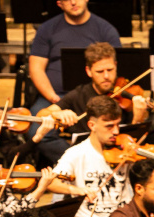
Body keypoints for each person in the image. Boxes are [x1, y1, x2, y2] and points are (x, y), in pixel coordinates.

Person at [47, 95, 154, 217]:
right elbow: (51, 182)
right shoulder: (76, 153)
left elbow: (146, 185)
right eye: (109, 126)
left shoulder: (126, 150)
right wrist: (76, 190)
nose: (116, 131)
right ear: (92, 125)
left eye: (118, 125)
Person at [34, 42, 154, 167]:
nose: (106, 76)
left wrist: (138, 118)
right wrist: (57, 113)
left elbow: (131, 143)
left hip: (117, 157)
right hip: (85, 158)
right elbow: (41, 116)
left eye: (110, 70)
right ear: (89, 71)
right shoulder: (78, 94)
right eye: (100, 71)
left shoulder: (126, 98)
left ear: (116, 66)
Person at [28, 0, 121, 128]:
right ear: (59, 3)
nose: (73, 2)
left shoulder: (106, 29)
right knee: (37, 130)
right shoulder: (47, 29)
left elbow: (114, 67)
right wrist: (54, 99)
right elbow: (36, 69)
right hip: (55, 96)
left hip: (96, 96)